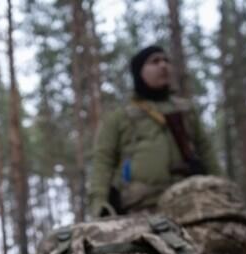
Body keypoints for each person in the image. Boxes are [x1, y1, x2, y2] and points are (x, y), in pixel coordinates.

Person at [89, 45, 221, 217]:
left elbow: (206, 150)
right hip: (140, 207)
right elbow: (102, 161)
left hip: (192, 201)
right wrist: (99, 202)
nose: (163, 65)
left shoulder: (186, 110)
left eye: (166, 60)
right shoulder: (119, 116)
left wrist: (220, 186)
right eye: (154, 61)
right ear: (139, 72)